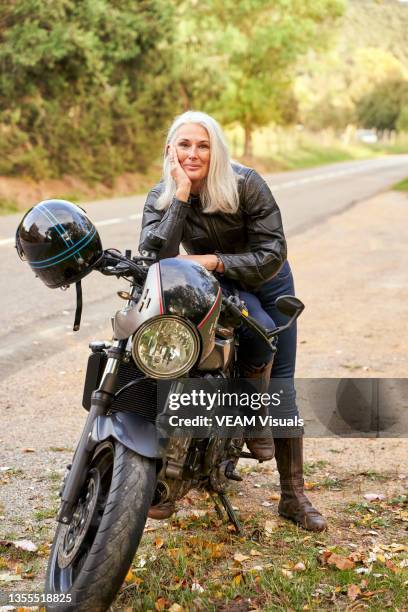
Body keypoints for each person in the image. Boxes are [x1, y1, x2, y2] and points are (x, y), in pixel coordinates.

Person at [138, 111, 326, 531]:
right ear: (170, 149)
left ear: (216, 149)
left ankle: (293, 496)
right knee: (187, 361)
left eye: (203, 145)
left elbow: (271, 251)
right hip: (223, 285)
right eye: (183, 144)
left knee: (283, 385)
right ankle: (170, 474)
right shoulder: (162, 196)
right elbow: (156, 259)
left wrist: (211, 259)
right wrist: (182, 196)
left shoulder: (246, 183)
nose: (193, 153)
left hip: (270, 280)